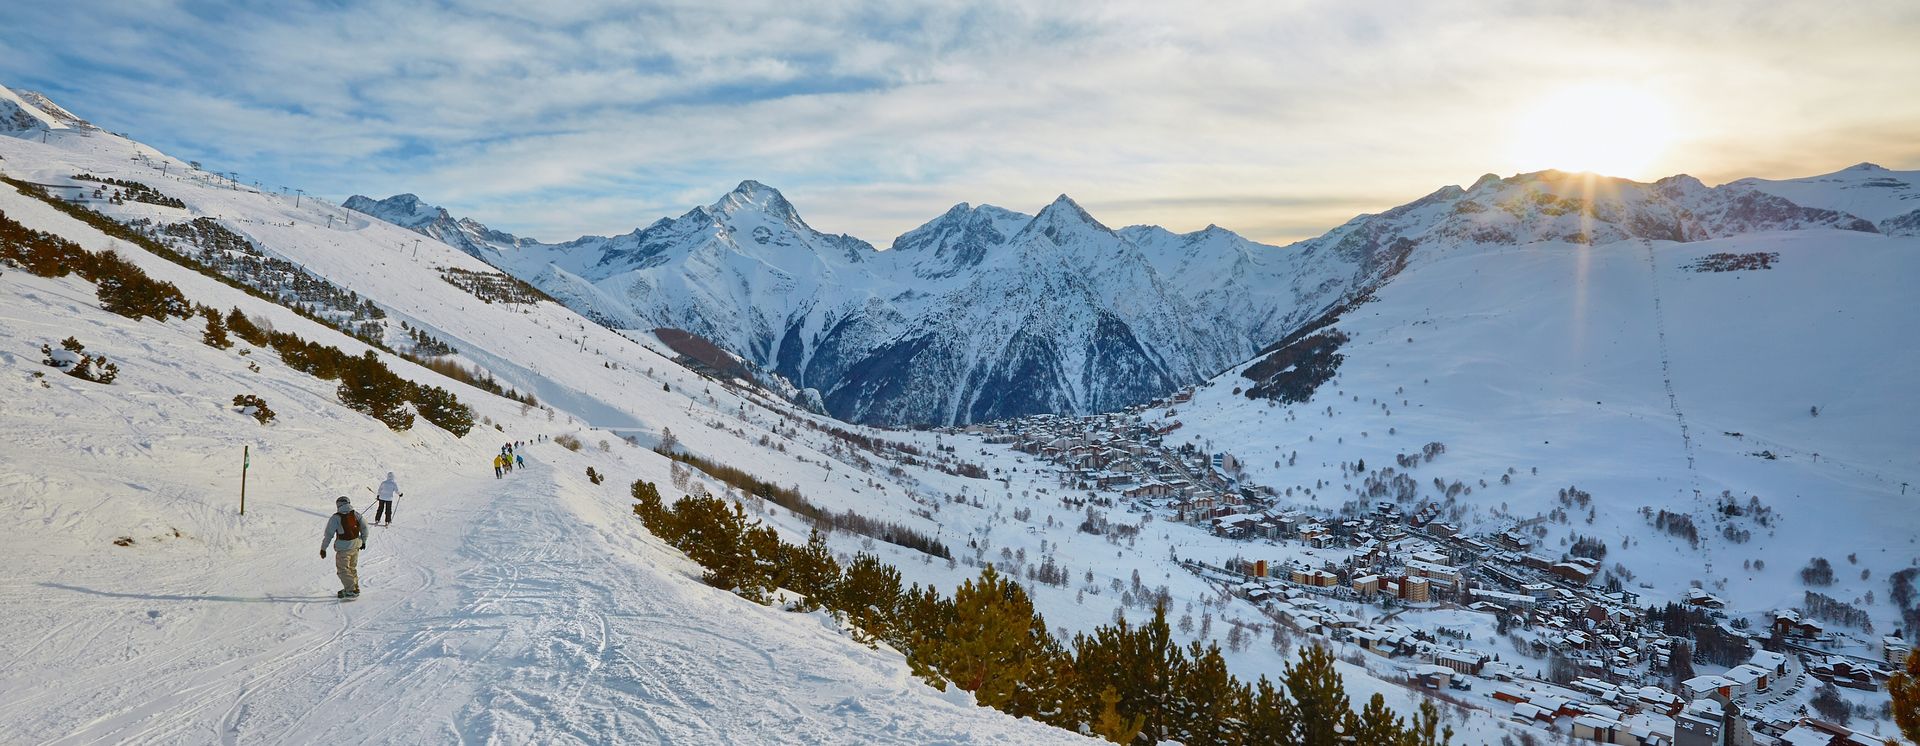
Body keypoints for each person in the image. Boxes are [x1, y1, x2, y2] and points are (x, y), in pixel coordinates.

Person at [320, 496, 370, 598]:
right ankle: (354, 587)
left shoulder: (335, 517)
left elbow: (329, 534)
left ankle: (351, 590)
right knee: (351, 567)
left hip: (343, 549)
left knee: (343, 569)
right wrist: (363, 541)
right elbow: (365, 528)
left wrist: (323, 549)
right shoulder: (356, 514)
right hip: (356, 546)